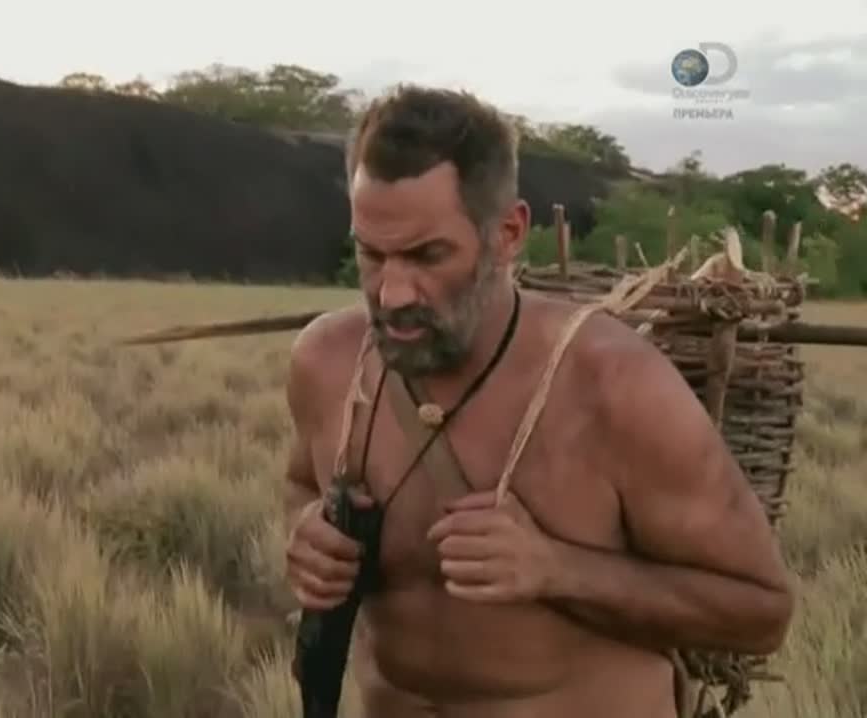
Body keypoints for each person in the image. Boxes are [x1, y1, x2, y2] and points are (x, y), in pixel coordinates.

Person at [281, 85, 795, 718]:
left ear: (508, 234)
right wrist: (306, 532)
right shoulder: (328, 364)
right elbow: (300, 486)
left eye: (427, 255)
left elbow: (761, 613)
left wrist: (557, 569)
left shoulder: (614, 385)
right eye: (370, 253)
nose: (391, 294)